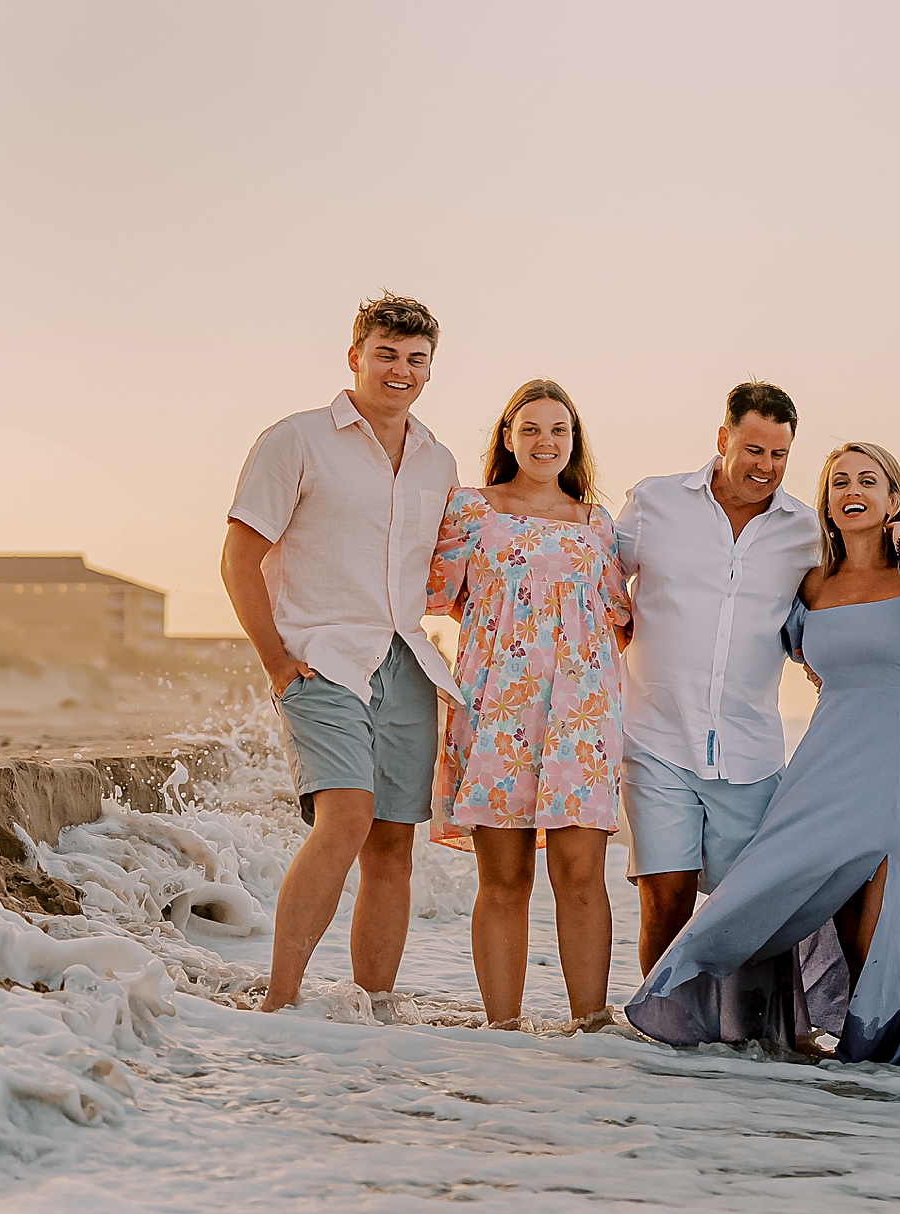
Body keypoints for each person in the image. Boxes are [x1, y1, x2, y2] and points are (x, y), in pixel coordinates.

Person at [626, 443, 900, 1063]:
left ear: (893, 498)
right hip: (830, 758)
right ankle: (694, 1009)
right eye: (839, 483)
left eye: (869, 482)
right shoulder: (814, 583)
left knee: (891, 915)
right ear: (826, 502)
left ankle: (875, 1064)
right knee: (784, 887)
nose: (853, 491)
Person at [221, 293, 461, 1014]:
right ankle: (280, 1003)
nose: (401, 370)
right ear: (355, 356)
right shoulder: (296, 440)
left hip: (407, 662)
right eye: (386, 354)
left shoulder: (437, 459)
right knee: (347, 819)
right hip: (320, 657)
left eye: (416, 359)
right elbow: (239, 556)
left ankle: (373, 1009)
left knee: (393, 847)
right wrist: (275, 662)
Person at [427, 380, 630, 1031]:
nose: (546, 442)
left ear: (574, 441)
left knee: (581, 876)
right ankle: (503, 1034)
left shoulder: (597, 523)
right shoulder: (470, 511)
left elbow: (621, 619)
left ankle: (593, 1029)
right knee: (505, 878)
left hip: (582, 718)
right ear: (508, 436)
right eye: (532, 429)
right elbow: (428, 594)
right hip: (496, 712)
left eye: (559, 430)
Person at [614, 382, 822, 976]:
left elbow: (827, 611)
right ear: (723, 438)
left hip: (751, 748)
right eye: (754, 450)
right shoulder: (654, 503)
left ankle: (745, 1053)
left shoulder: (804, 531)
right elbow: (596, 585)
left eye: (779, 455)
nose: (766, 468)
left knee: (752, 909)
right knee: (666, 897)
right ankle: (660, 1033)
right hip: (656, 735)